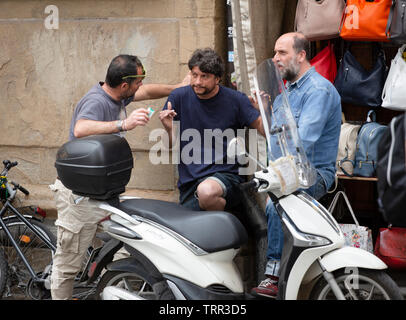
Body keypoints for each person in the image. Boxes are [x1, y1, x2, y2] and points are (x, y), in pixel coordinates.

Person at [50, 54, 189, 300]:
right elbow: (80, 129)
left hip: (103, 192)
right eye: (138, 82)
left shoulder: (118, 93)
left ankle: (105, 280)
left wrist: (178, 87)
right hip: (78, 196)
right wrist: (123, 124)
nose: (141, 87)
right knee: (67, 264)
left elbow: (147, 92)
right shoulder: (96, 101)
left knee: (133, 236)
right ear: (124, 85)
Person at [251, 32, 342, 298]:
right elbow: (276, 141)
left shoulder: (318, 90)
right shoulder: (283, 94)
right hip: (287, 174)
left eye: (282, 53)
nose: (276, 59)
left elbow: (303, 140)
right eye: (275, 53)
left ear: (301, 55)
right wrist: (266, 112)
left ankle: (272, 275)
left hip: (313, 175)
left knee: (277, 205)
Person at [159, 48, 264, 212]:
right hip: (190, 181)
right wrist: (169, 128)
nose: (197, 82)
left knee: (206, 192)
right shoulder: (178, 97)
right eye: (194, 75)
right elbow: (173, 144)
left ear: (218, 78)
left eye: (204, 76)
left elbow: (265, 130)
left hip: (226, 174)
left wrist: (265, 111)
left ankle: (225, 224)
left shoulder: (236, 100)